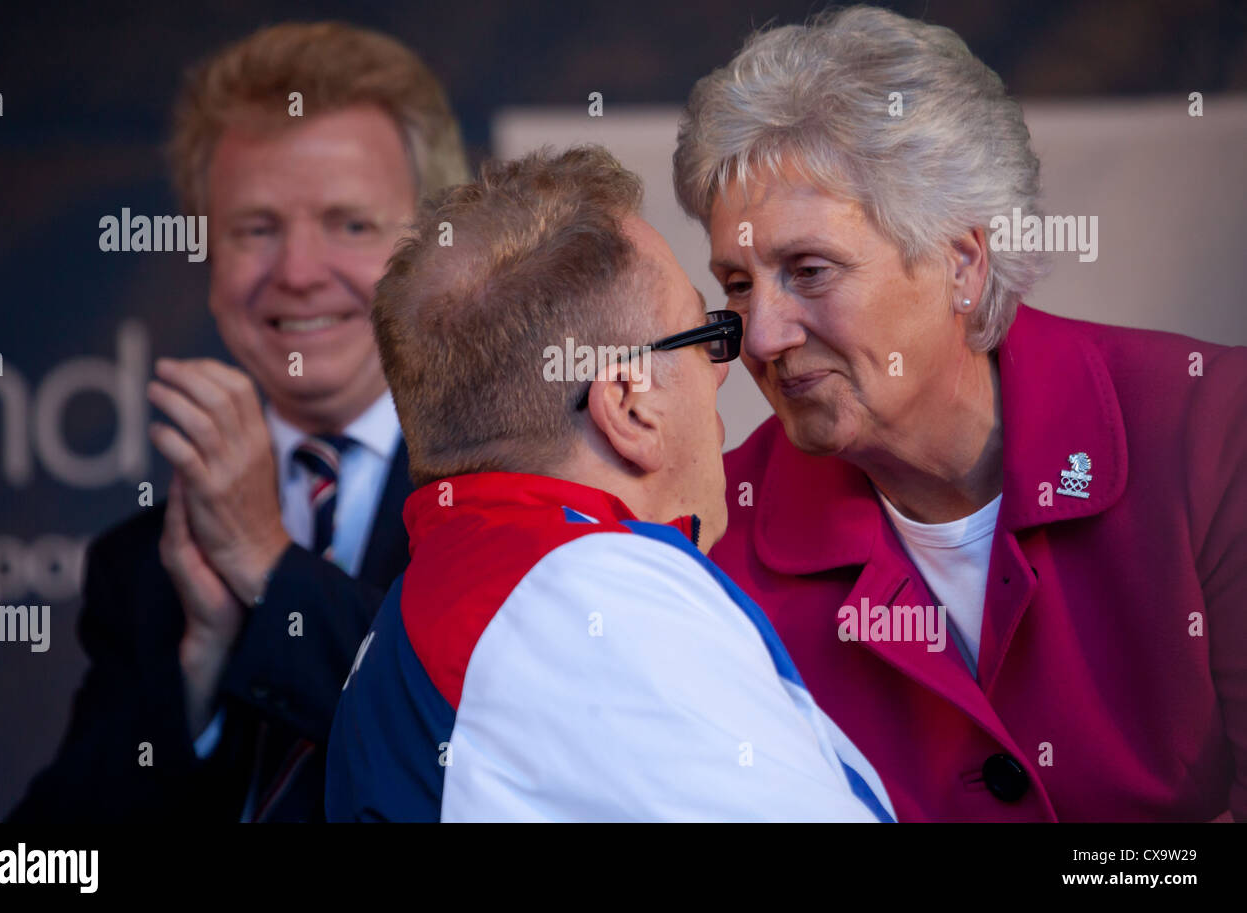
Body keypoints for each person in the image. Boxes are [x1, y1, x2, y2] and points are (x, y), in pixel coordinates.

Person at [672, 4, 1247, 821]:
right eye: (737, 283)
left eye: (809, 270)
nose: (760, 336)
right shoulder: (714, 538)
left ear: (962, 264)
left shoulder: (1212, 430)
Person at [325, 146, 895, 822]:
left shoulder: (446, 598)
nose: (723, 371)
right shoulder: (591, 595)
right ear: (630, 404)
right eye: (703, 336)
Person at [10, 22, 469, 822]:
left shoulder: (512, 494)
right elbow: (51, 857)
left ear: (431, 249)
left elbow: (480, 749)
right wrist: (201, 666)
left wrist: (268, 560)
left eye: (350, 224)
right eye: (256, 229)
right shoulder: (143, 563)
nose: (296, 273)